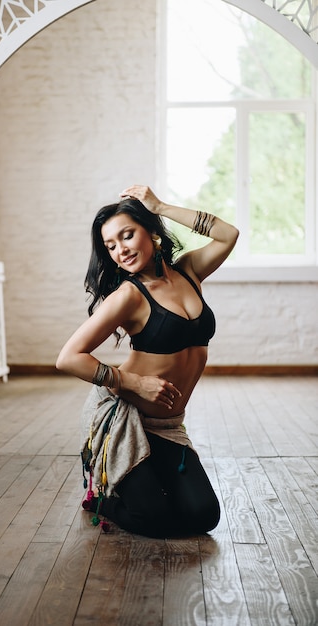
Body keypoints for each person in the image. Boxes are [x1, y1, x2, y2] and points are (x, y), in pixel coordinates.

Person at [56, 184, 239, 537]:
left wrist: (160, 206)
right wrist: (134, 382)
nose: (121, 250)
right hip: (125, 420)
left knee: (204, 517)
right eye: (111, 246)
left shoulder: (189, 272)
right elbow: (68, 358)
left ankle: (150, 478)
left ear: (152, 232)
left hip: (168, 428)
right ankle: (101, 499)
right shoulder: (128, 295)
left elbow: (228, 234)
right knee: (154, 519)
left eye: (127, 235)